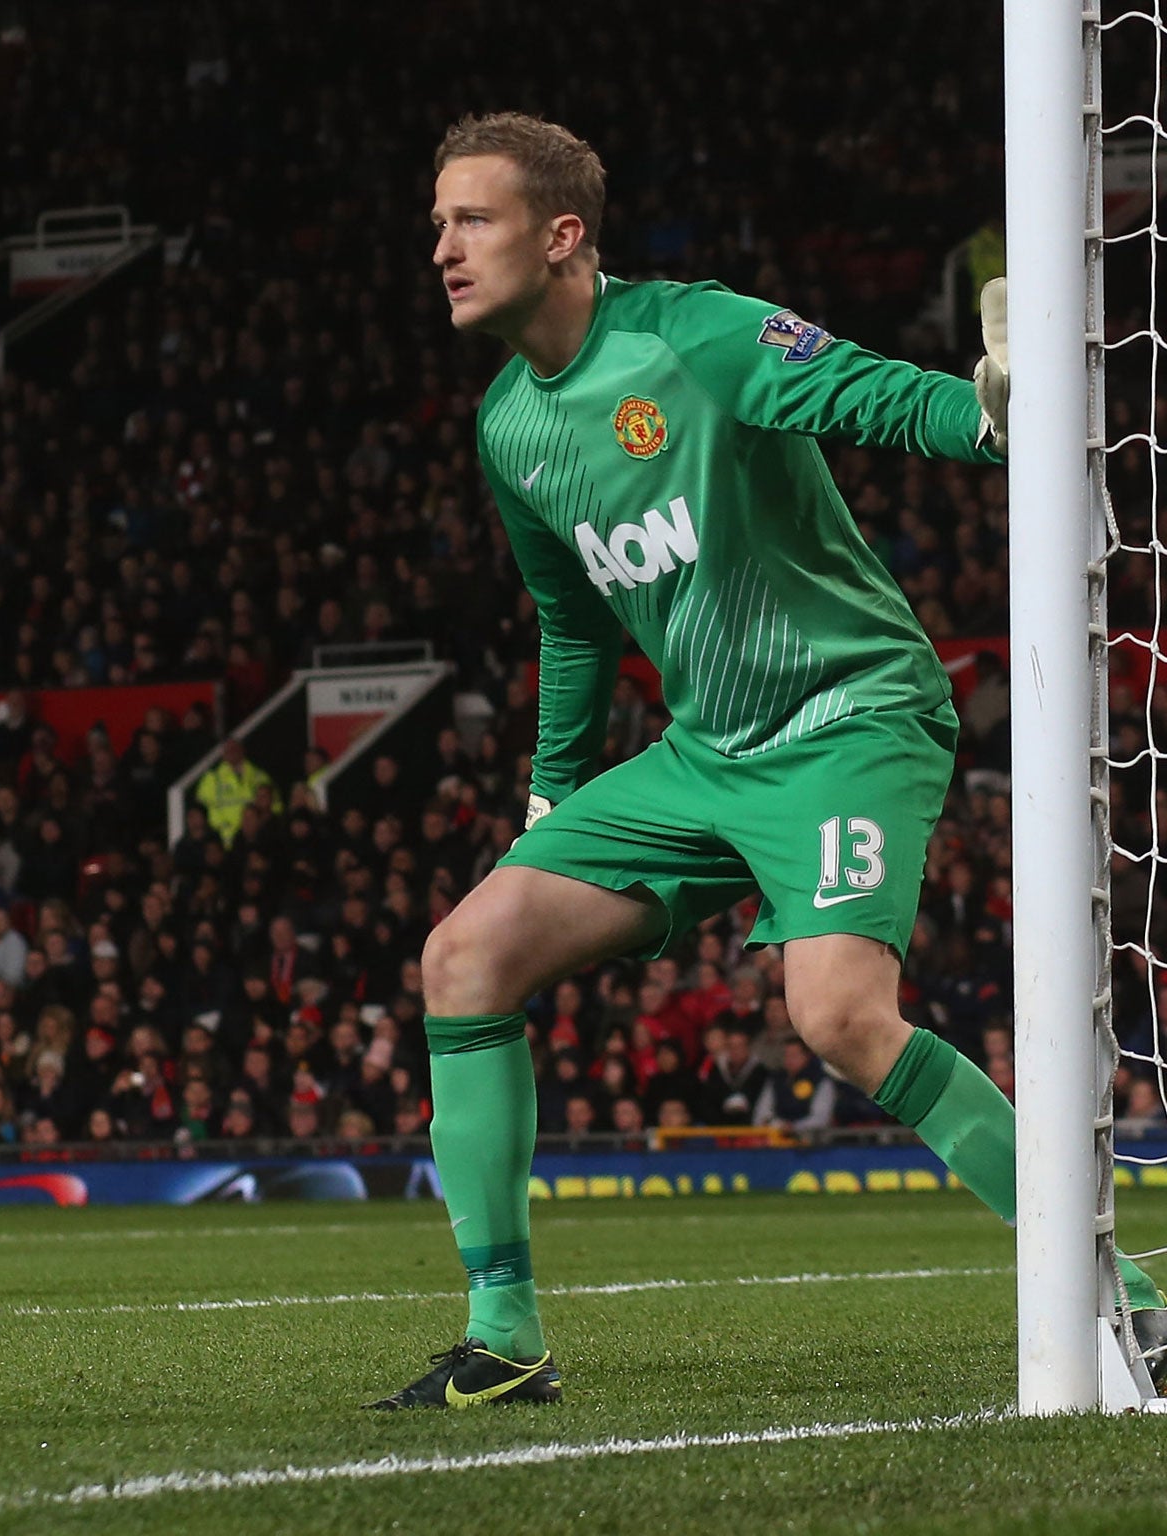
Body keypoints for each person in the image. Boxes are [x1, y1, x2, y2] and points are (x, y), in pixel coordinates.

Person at [372, 110, 1158, 1410]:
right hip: (701, 755)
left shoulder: (696, 336)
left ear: (563, 235)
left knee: (839, 1017)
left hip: (848, 718)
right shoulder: (510, 423)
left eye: (472, 220)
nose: (442, 247)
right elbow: (573, 627)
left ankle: (1124, 1299)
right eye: (439, 223)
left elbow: (862, 388)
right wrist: (555, 796)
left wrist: (988, 418)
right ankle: (506, 1341)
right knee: (463, 958)